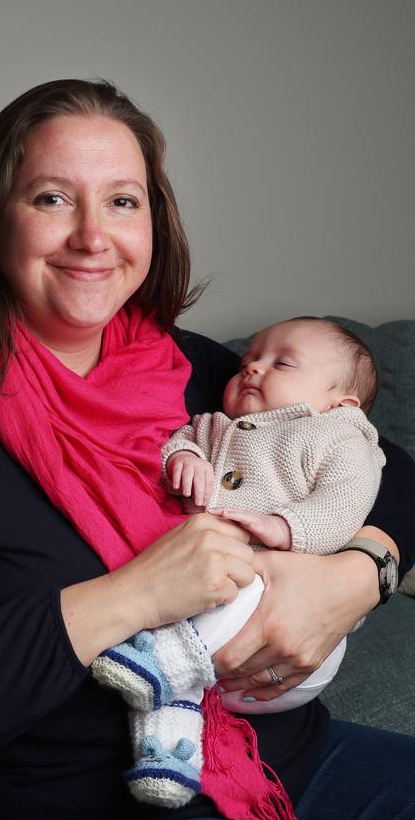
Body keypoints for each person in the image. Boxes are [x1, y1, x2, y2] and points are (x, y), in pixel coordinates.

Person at [0, 79, 415, 820]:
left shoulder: (197, 370)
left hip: (280, 763)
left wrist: (356, 575)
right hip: (80, 794)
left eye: (123, 201)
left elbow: (385, 466)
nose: (93, 236)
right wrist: (133, 596)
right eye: (52, 198)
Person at [92, 316, 386, 808]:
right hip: (214, 637)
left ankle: (169, 662)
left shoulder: (338, 437)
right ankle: (168, 751)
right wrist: (181, 457)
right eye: (248, 359)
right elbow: (179, 438)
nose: (251, 368)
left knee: (250, 576)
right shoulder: (213, 426)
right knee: (174, 647)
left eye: (281, 363)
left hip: (286, 641)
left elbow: (347, 501)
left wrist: (286, 527)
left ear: (342, 402)